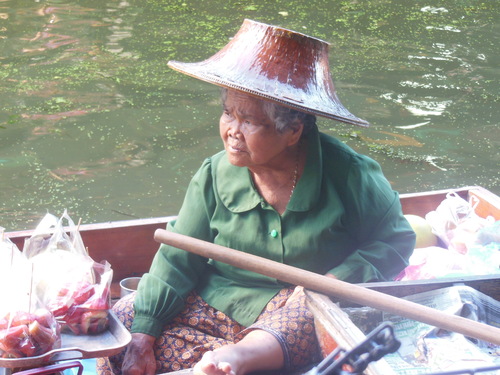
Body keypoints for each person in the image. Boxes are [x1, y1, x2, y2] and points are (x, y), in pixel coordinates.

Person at [97, 19, 415, 375]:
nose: (232, 131)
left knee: (318, 306)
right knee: (122, 324)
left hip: (295, 310)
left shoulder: (350, 173)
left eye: (249, 121)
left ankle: (239, 359)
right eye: (227, 113)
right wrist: (143, 339)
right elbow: (177, 258)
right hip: (218, 304)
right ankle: (228, 361)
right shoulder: (214, 173)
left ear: (293, 130)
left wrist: (337, 279)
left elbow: (395, 241)